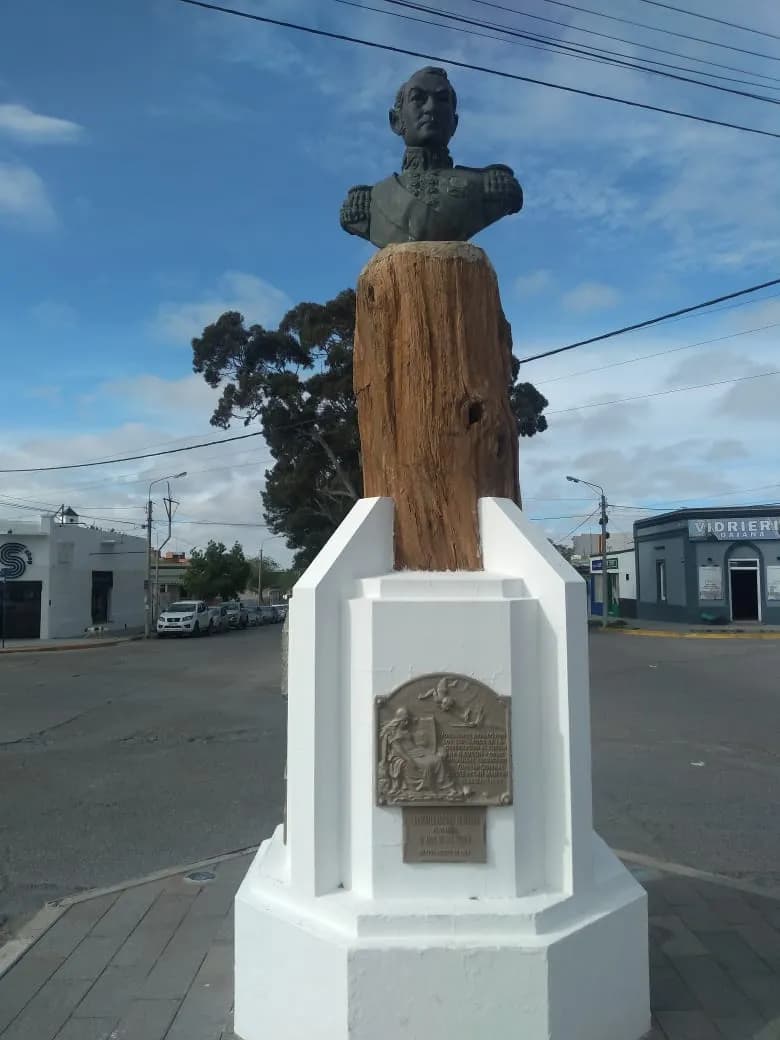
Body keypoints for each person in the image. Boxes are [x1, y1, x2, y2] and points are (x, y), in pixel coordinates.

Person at [340, 66, 522, 249]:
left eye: (442, 99)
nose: (431, 107)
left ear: (454, 123)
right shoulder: (369, 202)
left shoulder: (489, 187)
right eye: (418, 98)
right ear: (396, 121)